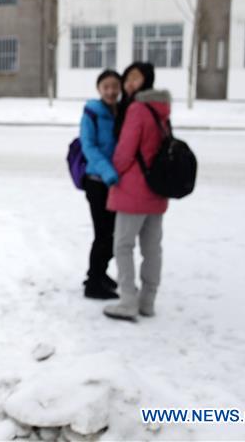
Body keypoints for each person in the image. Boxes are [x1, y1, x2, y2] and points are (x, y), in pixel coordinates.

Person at [104, 64, 171, 321]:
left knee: (123, 246)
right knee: (152, 248)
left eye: (135, 78)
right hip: (157, 189)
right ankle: (148, 301)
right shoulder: (161, 108)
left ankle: (128, 301)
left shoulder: (137, 109)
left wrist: (114, 174)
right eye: (127, 78)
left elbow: (124, 152)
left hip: (133, 190)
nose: (129, 84)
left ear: (146, 81)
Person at [79, 69, 122, 300]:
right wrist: (108, 172)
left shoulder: (120, 112)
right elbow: (89, 147)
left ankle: (99, 273)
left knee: (113, 234)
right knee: (103, 234)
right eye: (106, 86)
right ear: (99, 89)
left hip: (115, 182)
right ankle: (93, 284)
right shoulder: (91, 113)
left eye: (115, 86)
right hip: (97, 182)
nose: (111, 91)